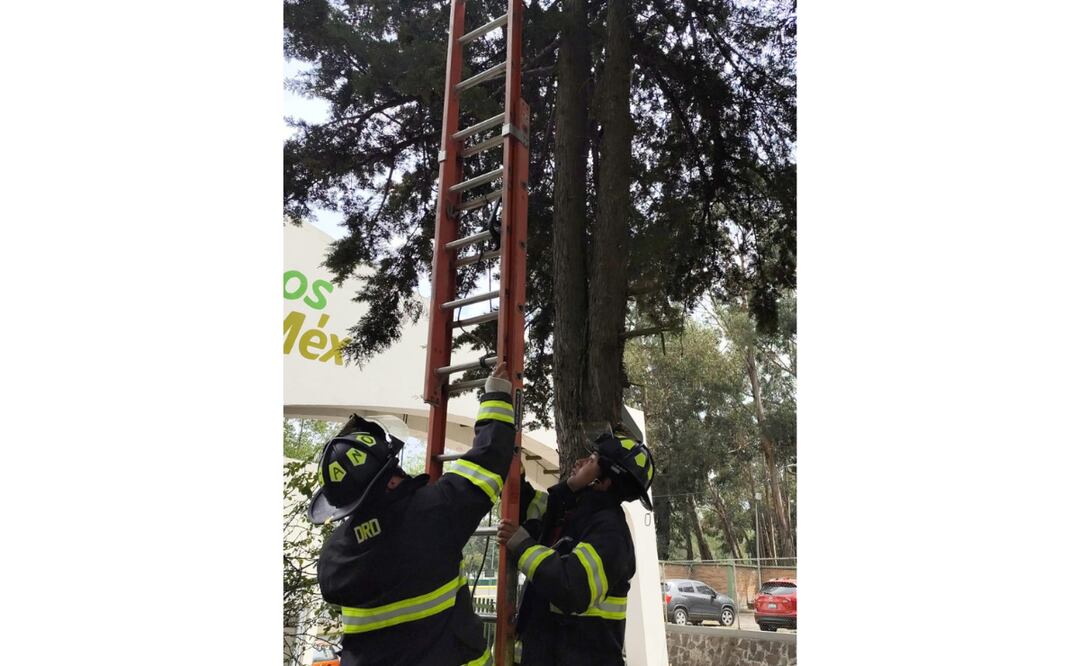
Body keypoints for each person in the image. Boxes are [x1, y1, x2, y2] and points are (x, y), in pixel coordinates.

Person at [309, 362, 515, 666]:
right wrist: (496, 397)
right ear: (390, 480)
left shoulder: (334, 556)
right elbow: (489, 460)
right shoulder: (431, 513)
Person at [497, 431, 655, 666]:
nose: (579, 463)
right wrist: (511, 470)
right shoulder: (569, 514)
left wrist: (522, 546)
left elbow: (572, 587)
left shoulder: (610, 534)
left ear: (603, 482)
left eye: (591, 460)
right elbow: (529, 509)